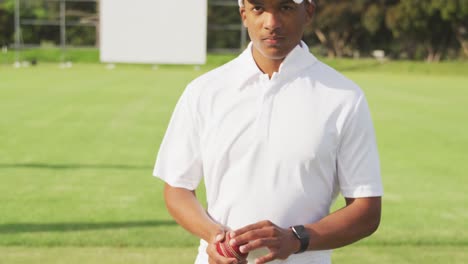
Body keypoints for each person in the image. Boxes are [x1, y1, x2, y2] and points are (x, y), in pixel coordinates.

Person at [153, 0, 383, 263]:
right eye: (259, 8)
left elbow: (366, 211)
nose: (271, 23)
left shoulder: (343, 97)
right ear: (243, 14)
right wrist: (215, 237)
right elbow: (177, 188)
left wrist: (296, 239)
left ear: (308, 11)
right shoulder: (203, 92)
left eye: (285, 7)